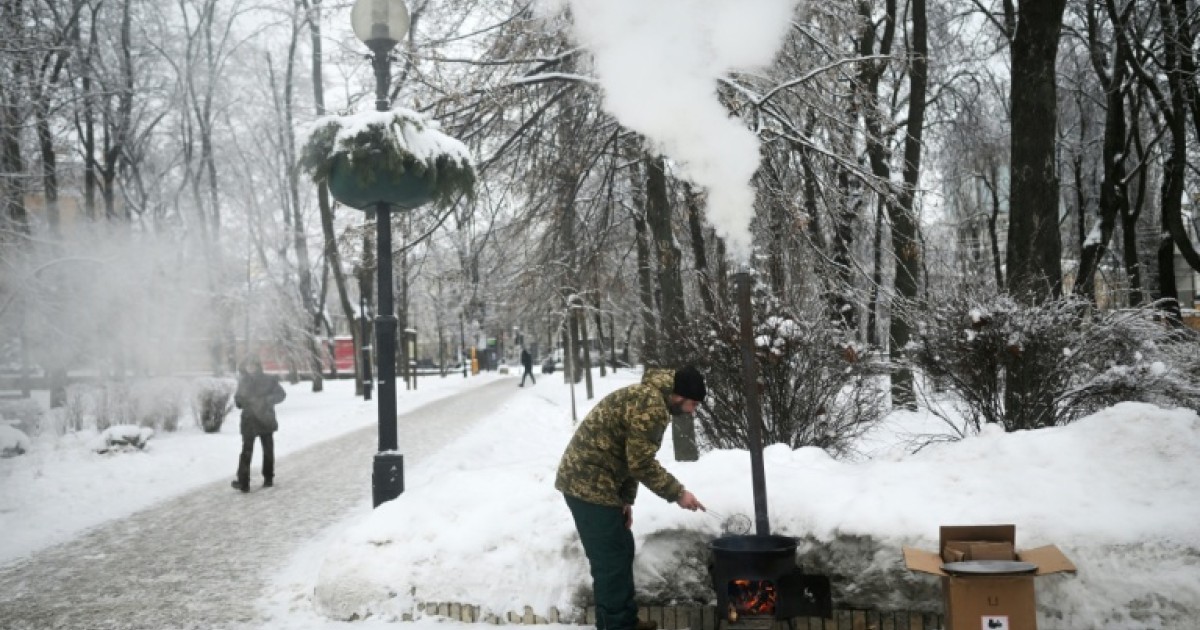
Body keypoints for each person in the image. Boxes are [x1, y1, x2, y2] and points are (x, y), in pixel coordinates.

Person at [555, 366, 707, 630]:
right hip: (587, 483)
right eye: (692, 403)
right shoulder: (652, 406)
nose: (692, 410)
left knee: (622, 550)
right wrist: (678, 493)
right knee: (610, 563)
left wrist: (625, 500)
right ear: (679, 395)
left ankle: (624, 621)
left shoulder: (650, 398)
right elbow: (641, 463)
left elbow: (629, 456)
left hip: (601, 483)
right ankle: (616, 626)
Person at [231, 357, 286, 492]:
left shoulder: (269, 380)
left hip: (264, 418)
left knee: (267, 451)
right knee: (246, 452)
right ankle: (243, 481)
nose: (250, 368)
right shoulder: (243, 381)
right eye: (248, 366)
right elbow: (238, 398)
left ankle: (268, 477)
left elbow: (281, 394)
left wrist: (267, 401)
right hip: (249, 420)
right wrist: (239, 401)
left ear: (258, 366)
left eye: (252, 365)